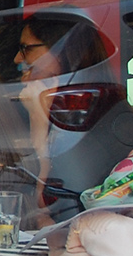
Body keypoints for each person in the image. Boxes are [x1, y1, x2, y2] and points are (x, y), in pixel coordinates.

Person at [16, 14, 107, 222]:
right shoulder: (64, 107)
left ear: (60, 52)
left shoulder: (84, 116)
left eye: (26, 49)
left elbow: (46, 211)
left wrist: (38, 125)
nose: (18, 59)